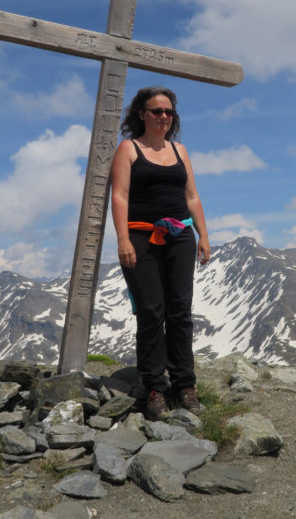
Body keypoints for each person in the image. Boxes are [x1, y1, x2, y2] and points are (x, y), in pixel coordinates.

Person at [110, 86, 210, 420]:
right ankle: (155, 387)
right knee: (152, 311)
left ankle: (185, 385)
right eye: (156, 111)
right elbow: (120, 195)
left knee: (180, 310)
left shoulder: (179, 150)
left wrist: (203, 236)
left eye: (168, 112)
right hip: (140, 236)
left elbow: (192, 196)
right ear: (141, 114)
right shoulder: (128, 148)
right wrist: (122, 239)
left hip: (180, 235)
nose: (163, 117)